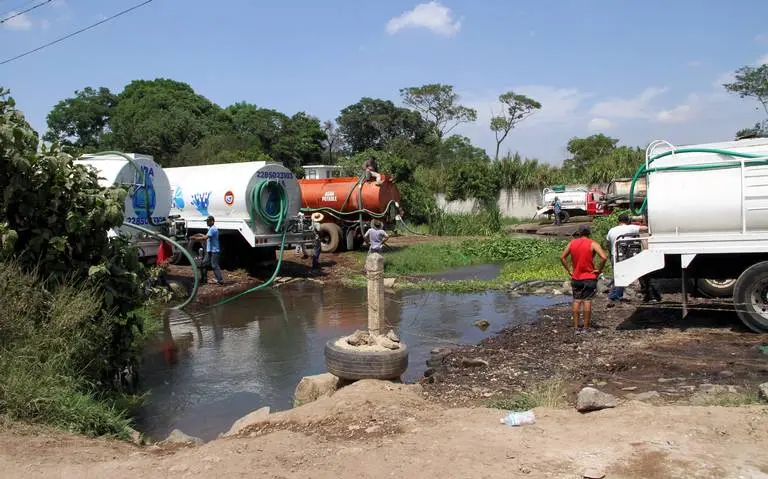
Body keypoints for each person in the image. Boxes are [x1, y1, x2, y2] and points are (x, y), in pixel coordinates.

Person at [560, 224, 607, 333]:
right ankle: (586, 327)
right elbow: (604, 257)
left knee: (576, 301)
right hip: (589, 277)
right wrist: (598, 270)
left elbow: (562, 257)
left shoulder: (572, 243)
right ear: (589, 233)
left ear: (579, 233)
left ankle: (576, 328)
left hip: (576, 277)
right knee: (587, 301)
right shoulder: (593, 243)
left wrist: (569, 270)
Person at [606, 214, 647, 306]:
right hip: (627, 255)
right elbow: (645, 228)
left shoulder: (612, 230)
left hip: (615, 254)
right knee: (626, 275)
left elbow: (608, 243)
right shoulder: (631, 228)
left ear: (618, 221)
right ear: (628, 220)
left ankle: (613, 294)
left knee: (617, 275)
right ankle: (616, 296)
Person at [191, 215, 224, 285]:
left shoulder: (213, 229)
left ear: (212, 221)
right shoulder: (211, 228)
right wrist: (197, 237)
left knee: (214, 265)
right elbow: (205, 236)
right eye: (207, 221)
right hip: (210, 251)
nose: (207, 223)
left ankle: (220, 281)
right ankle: (204, 279)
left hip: (214, 251)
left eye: (208, 221)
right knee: (203, 264)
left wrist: (194, 238)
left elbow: (205, 238)